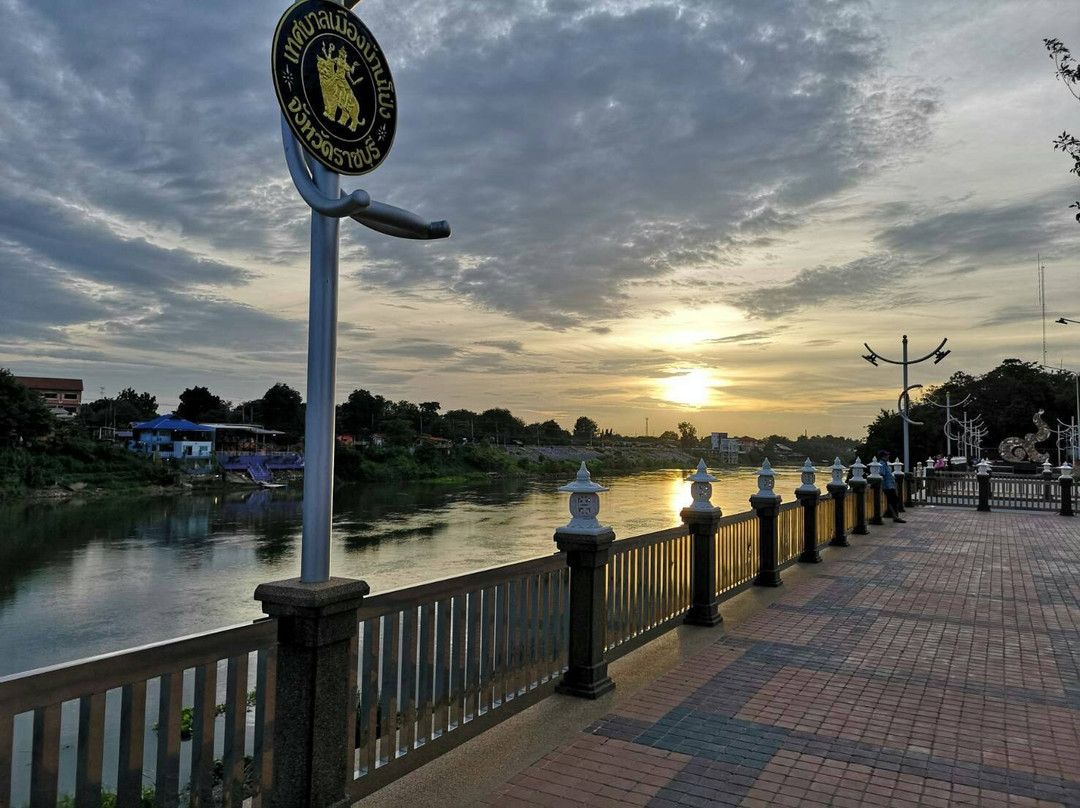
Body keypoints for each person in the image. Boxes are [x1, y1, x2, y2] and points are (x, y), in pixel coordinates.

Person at [877, 449, 906, 523]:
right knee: (893, 501)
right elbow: (882, 474)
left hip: (890, 485)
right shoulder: (882, 465)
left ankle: (893, 515)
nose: (888, 456)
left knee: (894, 500)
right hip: (887, 486)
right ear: (882, 457)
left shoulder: (886, 464)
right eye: (886, 455)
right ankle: (895, 517)